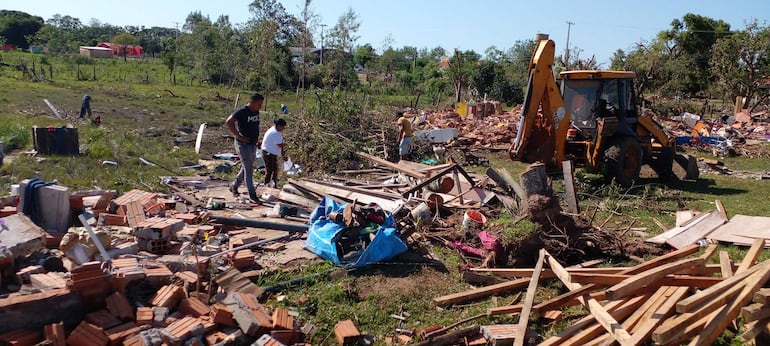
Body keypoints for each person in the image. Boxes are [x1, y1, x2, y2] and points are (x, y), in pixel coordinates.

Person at [226, 93, 264, 203]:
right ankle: (252, 194)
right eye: (258, 104)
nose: (260, 107)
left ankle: (234, 186)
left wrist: (257, 139)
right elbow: (229, 122)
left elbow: (254, 126)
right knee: (249, 168)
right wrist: (239, 136)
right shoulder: (242, 111)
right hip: (242, 144)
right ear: (252, 102)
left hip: (252, 143)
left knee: (247, 166)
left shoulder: (255, 111)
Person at [261, 118, 287, 188]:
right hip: (268, 153)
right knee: (269, 170)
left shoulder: (277, 131)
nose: (284, 128)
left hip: (272, 153)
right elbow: (280, 145)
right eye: (283, 127)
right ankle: (266, 184)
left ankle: (274, 184)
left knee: (275, 169)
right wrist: (286, 145)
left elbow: (280, 146)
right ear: (278, 126)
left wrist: (283, 155)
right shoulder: (274, 132)